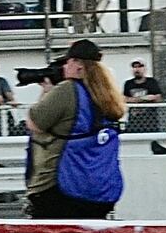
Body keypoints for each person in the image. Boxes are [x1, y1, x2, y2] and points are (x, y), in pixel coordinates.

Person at [24, 39, 125, 219]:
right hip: (98, 190)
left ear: (78, 65)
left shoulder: (67, 89)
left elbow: (34, 123)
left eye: (68, 61)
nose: (64, 67)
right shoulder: (107, 94)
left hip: (59, 187)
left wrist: (47, 92)